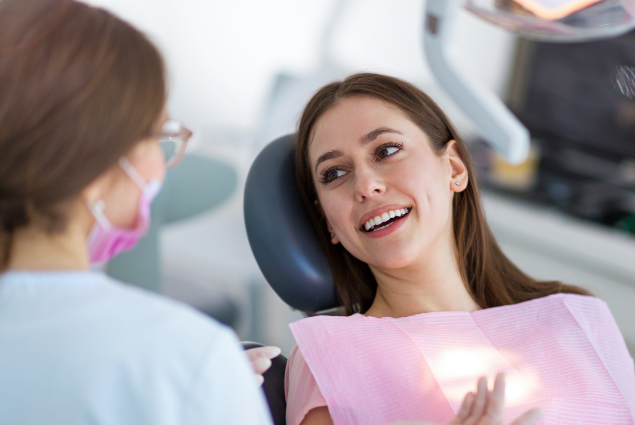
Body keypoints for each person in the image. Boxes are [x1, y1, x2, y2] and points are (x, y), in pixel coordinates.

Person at [285, 73, 635, 425]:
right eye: (334, 174)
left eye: (386, 151)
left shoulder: (578, 319)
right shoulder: (330, 359)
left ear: (453, 168)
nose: (365, 185)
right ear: (329, 221)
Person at [0, 0, 278, 423]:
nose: (162, 164)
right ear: (88, 164)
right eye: (157, 136)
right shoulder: (185, 356)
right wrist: (205, 391)